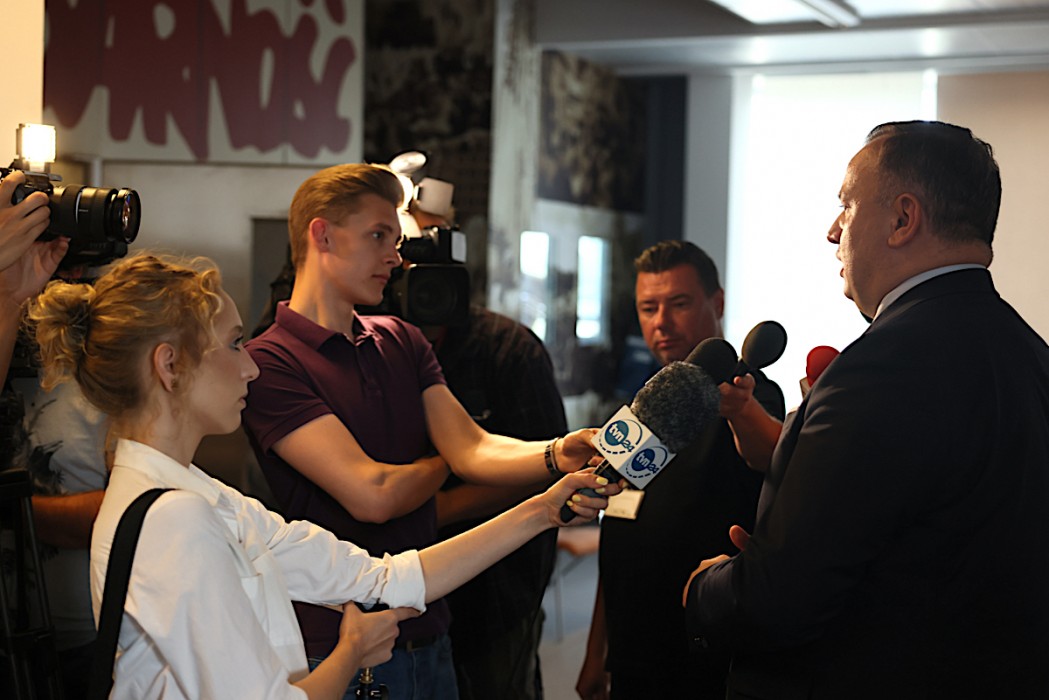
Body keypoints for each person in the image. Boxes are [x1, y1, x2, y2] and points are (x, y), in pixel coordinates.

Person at [25, 252, 618, 700]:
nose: (251, 366)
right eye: (234, 345)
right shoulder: (175, 517)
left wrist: (544, 508)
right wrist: (351, 652)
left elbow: (385, 577)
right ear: (170, 364)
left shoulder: (197, 497)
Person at [684, 120, 1049, 699]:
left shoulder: (878, 369)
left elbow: (779, 602)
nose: (833, 231)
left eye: (847, 206)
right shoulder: (1030, 354)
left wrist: (708, 589)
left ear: (903, 219)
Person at [241, 163, 604, 699]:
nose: (395, 257)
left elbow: (474, 447)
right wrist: (443, 459)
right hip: (338, 644)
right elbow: (374, 494)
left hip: (430, 628)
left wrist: (556, 453)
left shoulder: (401, 339)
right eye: (378, 236)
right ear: (322, 235)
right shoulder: (269, 361)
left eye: (395, 240)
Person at [576, 240, 785, 700]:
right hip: (632, 657)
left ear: (717, 303)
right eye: (648, 307)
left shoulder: (749, 396)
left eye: (679, 303)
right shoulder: (640, 408)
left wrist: (741, 409)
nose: (661, 322)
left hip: (707, 658)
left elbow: (767, 453)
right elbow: (620, 535)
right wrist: (597, 651)